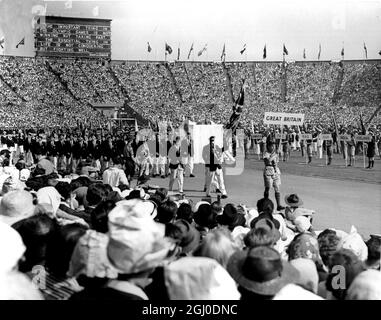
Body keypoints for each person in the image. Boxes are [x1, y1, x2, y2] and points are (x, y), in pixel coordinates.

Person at [262, 141, 284, 211]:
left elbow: (278, 160)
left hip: (276, 171)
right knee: (268, 188)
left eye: (274, 146)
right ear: (268, 146)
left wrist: (279, 153)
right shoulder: (266, 153)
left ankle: (278, 205)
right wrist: (275, 155)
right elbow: (268, 161)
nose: (273, 147)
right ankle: (265, 204)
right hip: (269, 170)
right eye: (271, 146)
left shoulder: (275, 153)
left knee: (277, 188)